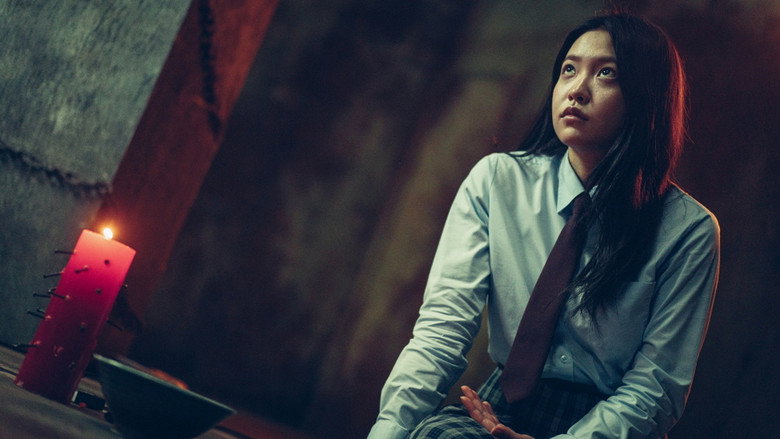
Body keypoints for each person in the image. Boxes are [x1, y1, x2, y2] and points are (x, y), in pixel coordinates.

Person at [367, 12, 720, 439]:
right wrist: (388, 432)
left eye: (606, 73)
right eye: (569, 69)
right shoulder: (498, 181)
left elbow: (656, 388)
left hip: (608, 424)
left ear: (646, 97)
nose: (577, 90)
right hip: (499, 409)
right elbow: (443, 329)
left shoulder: (688, 231)